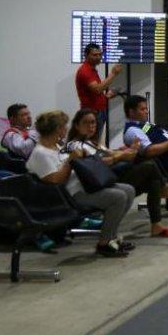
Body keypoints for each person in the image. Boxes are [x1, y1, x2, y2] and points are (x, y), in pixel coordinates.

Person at [28, 110, 135, 258]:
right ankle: (104, 243)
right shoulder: (40, 153)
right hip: (70, 195)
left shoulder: (57, 147)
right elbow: (55, 181)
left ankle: (112, 237)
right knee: (118, 197)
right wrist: (71, 161)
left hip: (82, 187)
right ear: (57, 129)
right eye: (63, 126)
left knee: (128, 190)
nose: (66, 129)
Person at [66, 108, 168, 238]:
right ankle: (164, 187)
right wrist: (119, 156)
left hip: (106, 180)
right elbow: (93, 166)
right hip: (93, 186)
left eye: (93, 123)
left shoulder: (93, 143)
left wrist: (129, 151)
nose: (91, 126)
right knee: (149, 165)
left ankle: (156, 225)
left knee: (152, 180)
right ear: (76, 125)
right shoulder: (75, 146)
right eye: (86, 123)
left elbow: (113, 155)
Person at [75, 43, 123, 141]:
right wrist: (113, 74)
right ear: (86, 55)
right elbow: (97, 89)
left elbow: (95, 91)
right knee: (91, 141)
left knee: (95, 140)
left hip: (98, 111)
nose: (98, 57)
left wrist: (106, 96)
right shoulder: (85, 71)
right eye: (95, 55)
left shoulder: (92, 70)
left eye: (100, 54)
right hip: (92, 113)